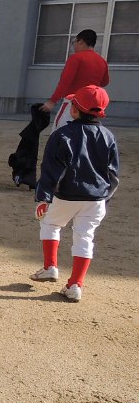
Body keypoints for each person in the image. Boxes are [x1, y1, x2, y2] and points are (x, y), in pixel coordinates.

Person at [30, 85, 119, 303]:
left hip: (66, 195)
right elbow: (113, 174)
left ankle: (50, 267)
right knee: (85, 237)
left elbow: (51, 169)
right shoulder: (108, 136)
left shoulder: (62, 135)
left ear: (73, 109)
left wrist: (43, 197)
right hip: (96, 198)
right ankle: (75, 285)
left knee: (50, 224)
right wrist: (105, 197)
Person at [40, 29, 110, 132]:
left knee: (59, 132)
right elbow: (105, 82)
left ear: (81, 41)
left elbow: (65, 82)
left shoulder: (76, 58)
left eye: (74, 42)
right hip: (91, 107)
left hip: (73, 103)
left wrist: (52, 101)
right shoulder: (102, 61)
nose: (74, 45)